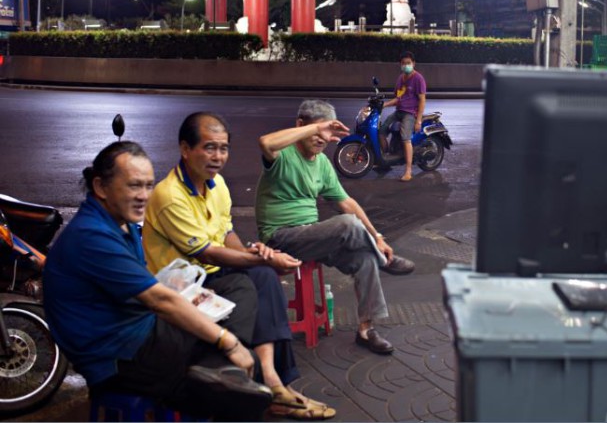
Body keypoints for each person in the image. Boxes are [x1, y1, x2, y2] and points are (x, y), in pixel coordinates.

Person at [43, 141, 273, 421]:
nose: (144, 196)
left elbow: (144, 288)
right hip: (118, 357)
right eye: (133, 186)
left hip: (140, 330)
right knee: (243, 382)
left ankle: (219, 371)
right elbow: (159, 301)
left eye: (148, 186)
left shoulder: (119, 223)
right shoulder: (92, 236)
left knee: (236, 286)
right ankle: (221, 374)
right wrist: (229, 344)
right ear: (101, 187)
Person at [142, 112, 335, 420]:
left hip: (211, 274)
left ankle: (273, 383)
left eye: (223, 148)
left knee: (264, 277)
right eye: (209, 147)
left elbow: (226, 232)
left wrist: (253, 251)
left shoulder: (216, 184)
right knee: (250, 280)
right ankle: (249, 378)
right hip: (180, 286)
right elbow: (209, 254)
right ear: (185, 149)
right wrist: (262, 257)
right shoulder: (170, 195)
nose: (218, 156)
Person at [255, 100, 416, 355]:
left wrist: (378, 237)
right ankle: (385, 261)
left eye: (327, 133)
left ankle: (366, 329)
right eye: (316, 131)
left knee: (364, 257)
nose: (322, 138)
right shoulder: (282, 153)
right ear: (301, 126)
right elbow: (265, 143)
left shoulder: (321, 163)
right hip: (281, 238)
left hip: (313, 237)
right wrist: (315, 127)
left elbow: (347, 203)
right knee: (347, 225)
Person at [378, 51, 427, 181]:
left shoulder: (418, 79)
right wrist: (384, 105)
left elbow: (422, 100)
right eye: (403, 63)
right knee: (382, 131)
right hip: (399, 111)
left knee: (405, 138)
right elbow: (398, 98)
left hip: (410, 113)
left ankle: (408, 170)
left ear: (413, 63)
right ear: (400, 64)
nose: (406, 65)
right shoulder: (400, 78)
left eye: (408, 63)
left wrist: (419, 121)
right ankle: (387, 160)